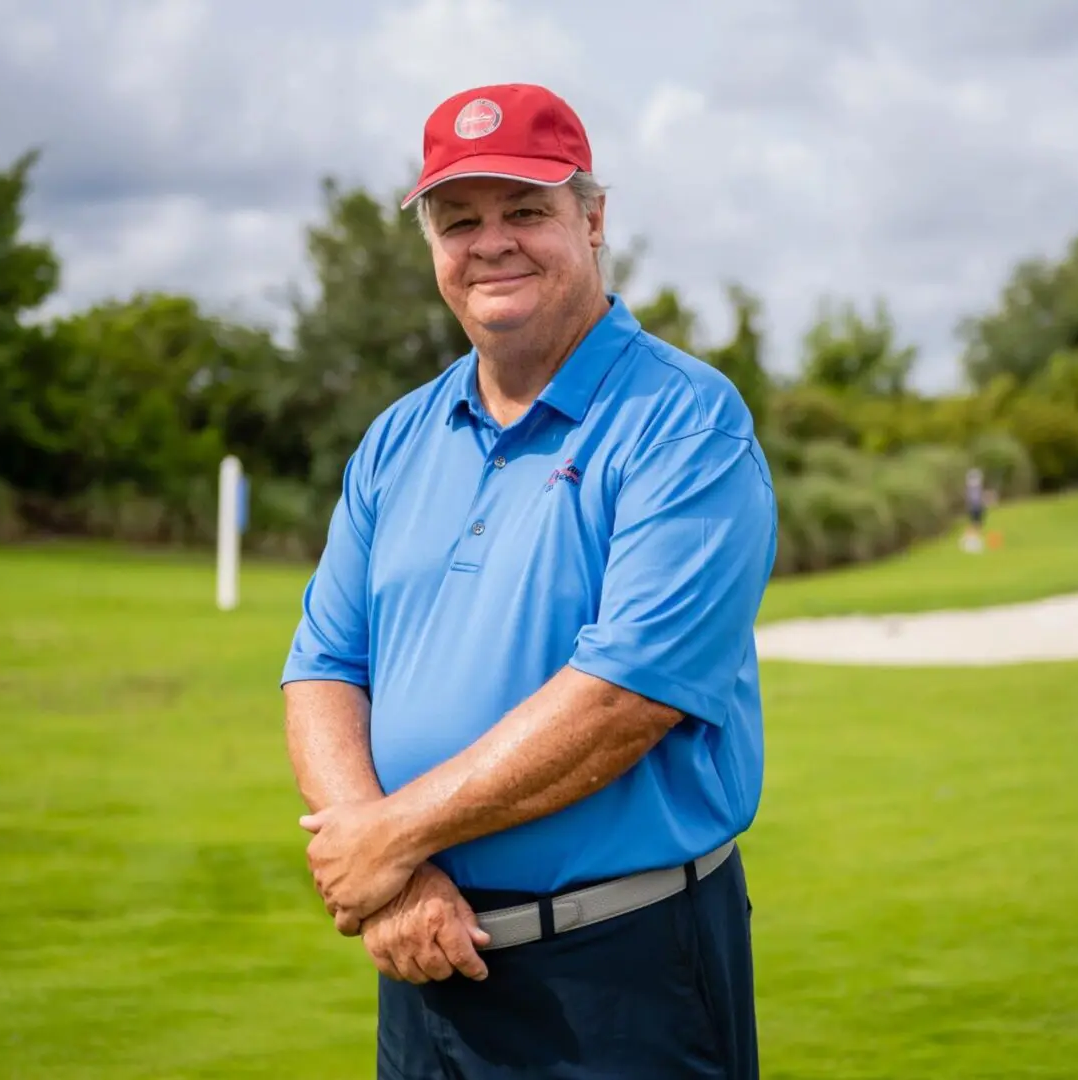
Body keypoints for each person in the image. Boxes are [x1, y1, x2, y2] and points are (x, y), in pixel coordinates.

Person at [279, 82, 778, 1079]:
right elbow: (324, 667)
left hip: (621, 980)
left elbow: (623, 698)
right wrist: (397, 878)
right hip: (422, 956)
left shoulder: (686, 423)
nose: (491, 242)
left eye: (527, 211)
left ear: (593, 221)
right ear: (431, 246)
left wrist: (390, 839)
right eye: (460, 220)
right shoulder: (398, 437)